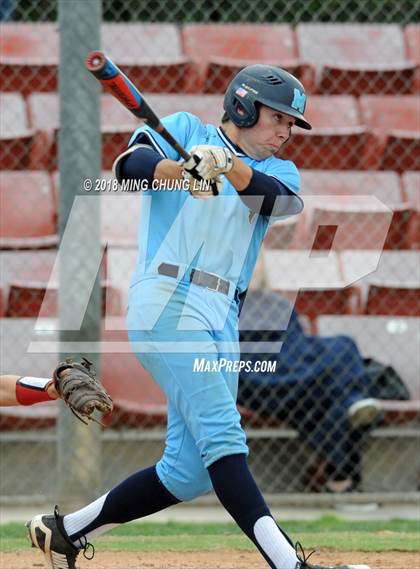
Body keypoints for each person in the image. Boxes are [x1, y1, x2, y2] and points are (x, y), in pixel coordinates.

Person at [27, 65, 371, 569]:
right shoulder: (186, 130)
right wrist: (182, 173)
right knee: (224, 436)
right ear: (243, 107)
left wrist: (226, 168)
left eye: (291, 123)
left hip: (223, 315)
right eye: (277, 118)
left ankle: (65, 532)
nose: (285, 131)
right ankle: (290, 565)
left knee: (188, 471)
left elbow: (279, 202)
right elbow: (130, 166)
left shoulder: (281, 171)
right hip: (167, 298)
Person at [237, 290, 382, 494]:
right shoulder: (220, 304)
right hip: (256, 379)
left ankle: (339, 474)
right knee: (341, 388)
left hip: (296, 373)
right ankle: (340, 475)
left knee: (344, 347)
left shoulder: (275, 303)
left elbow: (297, 344)